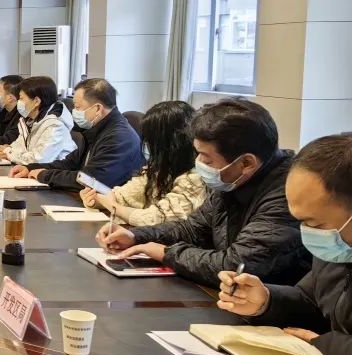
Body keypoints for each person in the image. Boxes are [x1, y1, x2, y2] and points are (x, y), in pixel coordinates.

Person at [98, 98, 311, 289]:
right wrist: (136, 236)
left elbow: (236, 266)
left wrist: (166, 253)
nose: (199, 163)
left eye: (206, 159)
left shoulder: (288, 195)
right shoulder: (233, 180)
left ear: (246, 163)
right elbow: (193, 228)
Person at [217, 134, 352, 355]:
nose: (307, 232)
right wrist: (265, 301)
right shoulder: (338, 248)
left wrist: (323, 343)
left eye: (315, 224)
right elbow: (310, 299)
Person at [80, 101, 205, 226]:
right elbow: (123, 196)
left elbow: (157, 219)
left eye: (151, 141)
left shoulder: (196, 177)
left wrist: (113, 206)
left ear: (169, 143)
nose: (147, 146)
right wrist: (95, 199)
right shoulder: (160, 168)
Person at [9, 78, 142, 191]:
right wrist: (30, 168)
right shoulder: (97, 129)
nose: (74, 112)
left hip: (107, 206)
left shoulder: (119, 138)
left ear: (97, 108)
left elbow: (89, 180)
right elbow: (69, 163)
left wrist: (44, 175)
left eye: (78, 107)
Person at [0, 75, 75, 165]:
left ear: (36, 101)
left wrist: (9, 153)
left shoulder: (55, 125)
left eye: (21, 98)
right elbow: (19, 147)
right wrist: (10, 150)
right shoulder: (29, 121)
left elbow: (38, 160)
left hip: (52, 172)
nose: (19, 102)